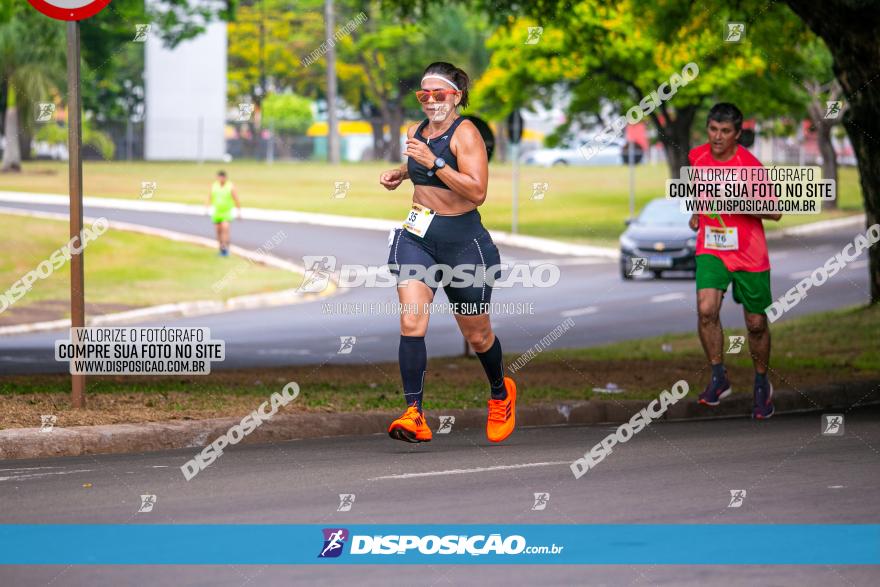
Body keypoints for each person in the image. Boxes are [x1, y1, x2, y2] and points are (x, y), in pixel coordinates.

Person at [379, 61, 516, 443]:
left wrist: (432, 162)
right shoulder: (416, 131)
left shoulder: (466, 133)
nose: (431, 101)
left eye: (439, 95)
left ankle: (500, 393)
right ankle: (414, 413)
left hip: (464, 245)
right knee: (412, 323)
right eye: (424, 95)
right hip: (418, 237)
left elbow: (476, 191)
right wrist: (402, 172)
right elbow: (422, 166)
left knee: (478, 336)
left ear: (455, 97)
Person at [688, 103, 782, 419]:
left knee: (755, 324)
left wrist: (738, 200)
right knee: (706, 310)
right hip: (712, 247)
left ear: (738, 134)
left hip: (749, 253)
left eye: (725, 131)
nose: (717, 136)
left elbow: (775, 211)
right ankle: (718, 376)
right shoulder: (696, 158)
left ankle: (760, 382)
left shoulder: (751, 168)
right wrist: (696, 214)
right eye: (713, 129)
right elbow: (700, 194)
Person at [207, 170, 241, 256]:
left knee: (225, 229)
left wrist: (238, 211)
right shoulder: (214, 186)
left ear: (225, 178)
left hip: (226, 212)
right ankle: (221, 249)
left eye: (222, 177)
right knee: (218, 231)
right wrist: (206, 207)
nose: (221, 179)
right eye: (219, 177)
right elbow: (209, 196)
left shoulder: (230, 186)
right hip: (217, 212)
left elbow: (236, 198)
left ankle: (226, 248)